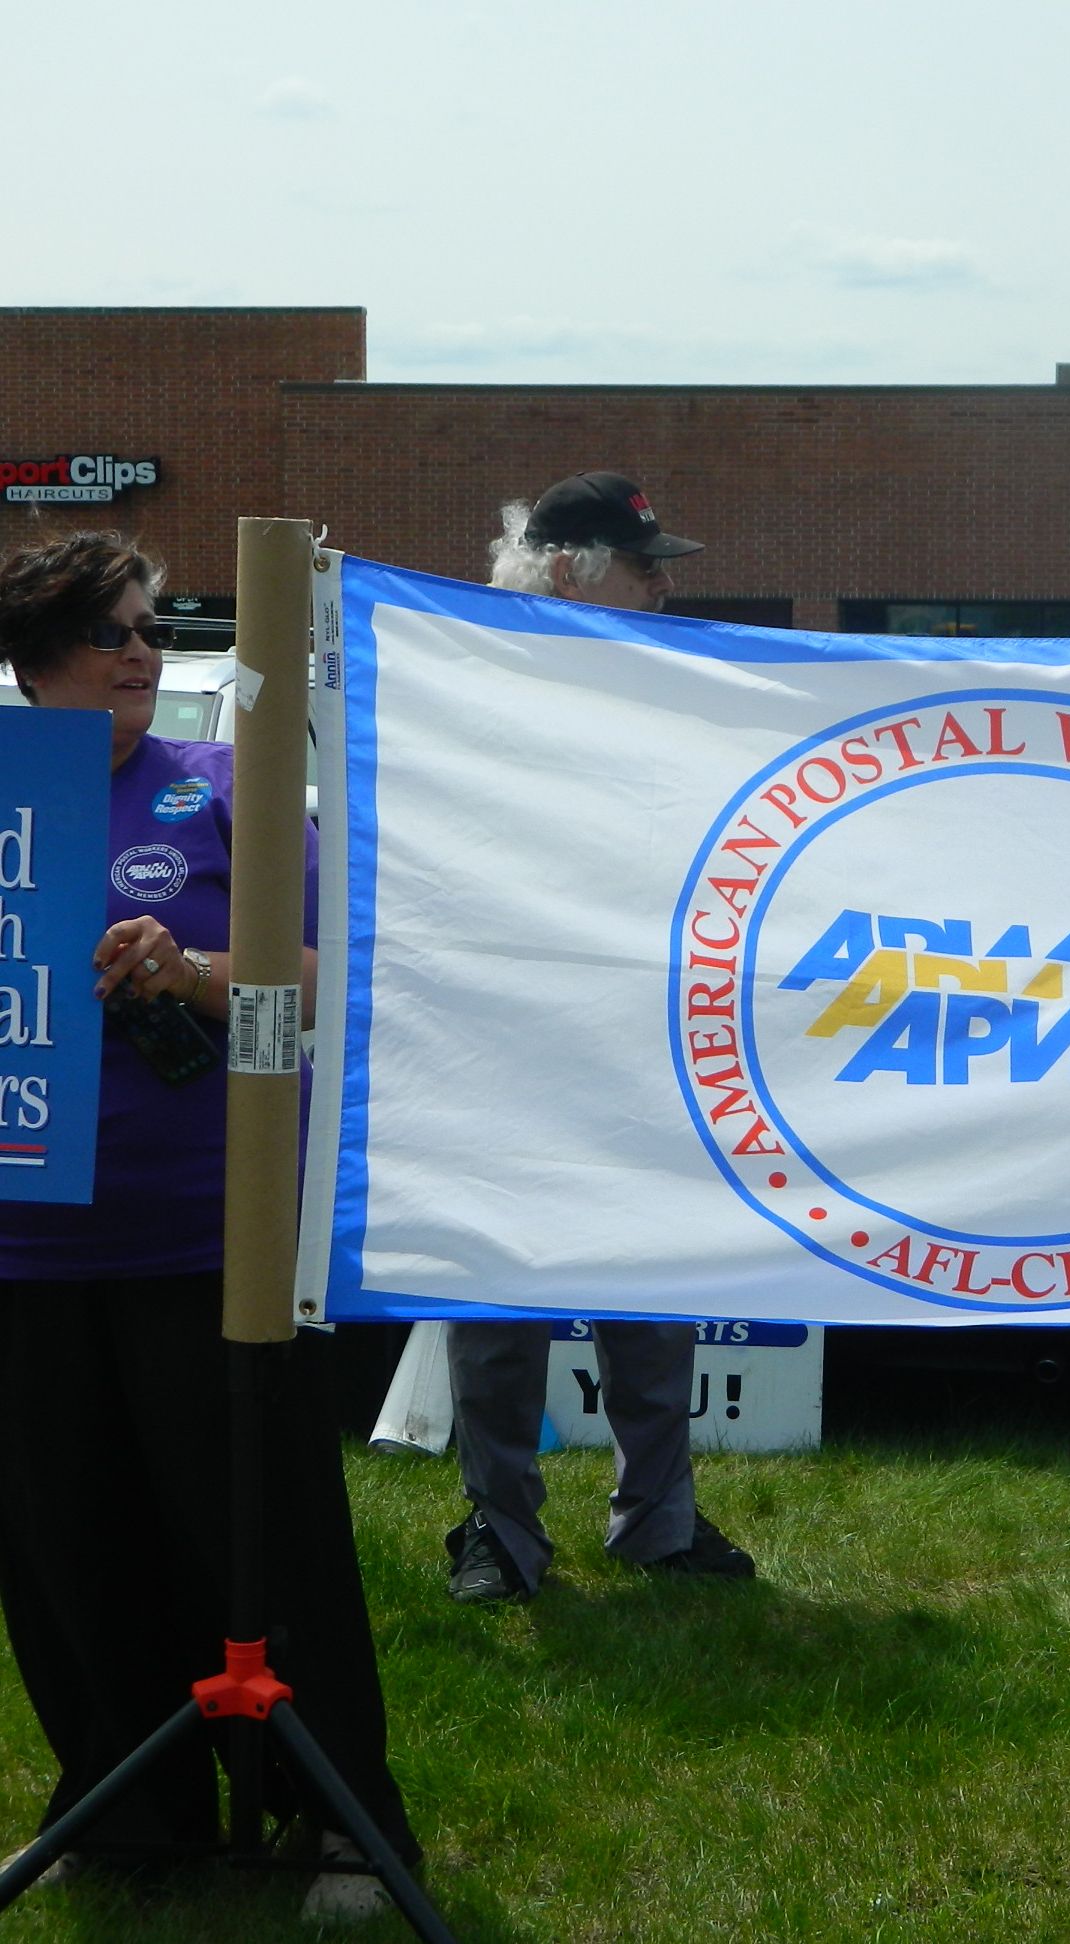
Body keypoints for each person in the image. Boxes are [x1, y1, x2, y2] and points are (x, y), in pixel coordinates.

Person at [0, 532, 418, 1921]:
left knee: (261, 1537)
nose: (139, 652)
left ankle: (338, 1816)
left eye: (148, 625)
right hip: (27, 1251)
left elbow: (320, 983)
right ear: (34, 657)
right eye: (105, 631)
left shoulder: (227, 786)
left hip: (209, 1242)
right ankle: (133, 1811)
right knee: (66, 1546)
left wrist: (186, 977)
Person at [441, 470, 755, 1603]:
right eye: (644, 567)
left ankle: (659, 1518)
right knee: (495, 1303)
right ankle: (500, 1530)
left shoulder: (677, 693)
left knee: (656, 1276)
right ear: (570, 571)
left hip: (644, 1029)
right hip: (502, 1034)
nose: (664, 588)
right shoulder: (469, 686)